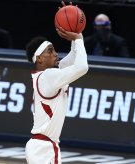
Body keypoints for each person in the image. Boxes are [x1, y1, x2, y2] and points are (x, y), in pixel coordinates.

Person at [24, 3, 89, 163]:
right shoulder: (49, 77)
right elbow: (82, 67)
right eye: (50, 51)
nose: (56, 53)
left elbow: (74, 59)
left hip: (40, 146)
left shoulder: (48, 75)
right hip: (44, 148)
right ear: (39, 58)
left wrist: (75, 33)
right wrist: (78, 38)